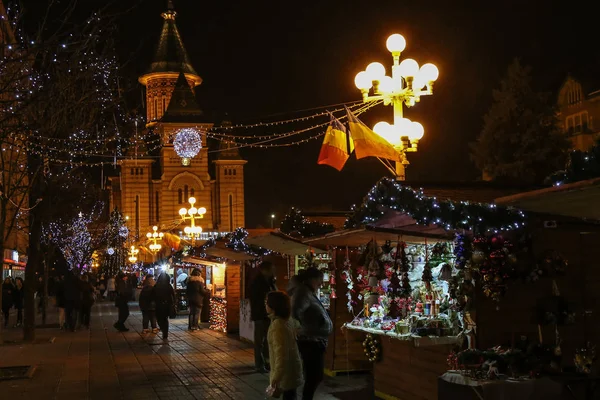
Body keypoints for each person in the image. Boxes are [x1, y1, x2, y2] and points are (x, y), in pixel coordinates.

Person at [291, 267, 333, 400]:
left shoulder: (308, 292)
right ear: (312, 279)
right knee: (314, 375)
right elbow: (296, 313)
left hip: (314, 339)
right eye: (320, 279)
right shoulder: (303, 293)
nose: (322, 283)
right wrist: (304, 328)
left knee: (314, 375)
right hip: (310, 341)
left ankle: (306, 397)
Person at [266, 291, 303, 400]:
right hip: (292, 370)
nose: (265, 305)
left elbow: (281, 355)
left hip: (285, 374)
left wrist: (275, 378)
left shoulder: (278, 325)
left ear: (273, 306)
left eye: (267, 302)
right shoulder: (287, 320)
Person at [249, 261, 277, 373]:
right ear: (266, 270)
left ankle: (266, 362)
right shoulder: (258, 282)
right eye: (272, 268)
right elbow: (258, 299)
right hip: (260, 314)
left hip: (268, 315)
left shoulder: (269, 281)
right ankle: (259, 364)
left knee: (267, 340)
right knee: (260, 341)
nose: (274, 271)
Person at [152, 272, 175, 342]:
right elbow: (173, 295)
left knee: (159, 319)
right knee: (165, 319)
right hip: (167, 304)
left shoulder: (156, 286)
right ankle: (165, 332)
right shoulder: (169, 286)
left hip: (159, 305)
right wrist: (173, 303)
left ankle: (163, 329)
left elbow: (153, 295)